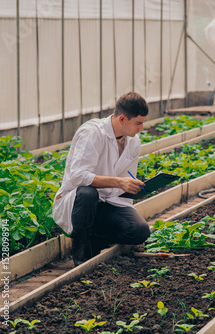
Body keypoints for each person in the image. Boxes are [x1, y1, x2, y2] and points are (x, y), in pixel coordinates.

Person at [53, 91, 151, 266]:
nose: (141, 128)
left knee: (140, 231)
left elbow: (124, 181)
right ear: (122, 119)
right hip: (80, 203)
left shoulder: (133, 142)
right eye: (138, 123)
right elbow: (78, 176)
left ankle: (94, 239)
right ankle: (81, 255)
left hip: (108, 202)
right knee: (88, 193)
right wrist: (119, 182)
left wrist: (131, 187)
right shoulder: (93, 133)